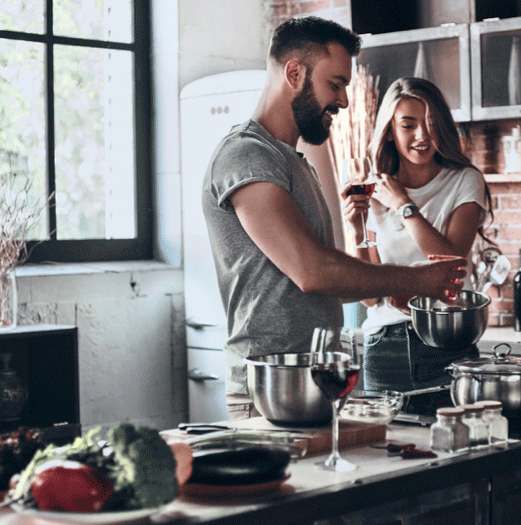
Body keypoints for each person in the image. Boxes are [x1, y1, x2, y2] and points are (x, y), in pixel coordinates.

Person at [202, 18, 467, 420]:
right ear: (294, 73)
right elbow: (313, 271)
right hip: (270, 393)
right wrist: (415, 280)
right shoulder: (247, 156)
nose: (343, 101)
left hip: (315, 384)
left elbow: (327, 284)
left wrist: (381, 277)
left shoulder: (294, 162)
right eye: (336, 83)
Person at [341, 77, 495, 393]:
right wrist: (357, 229)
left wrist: (403, 205)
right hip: (385, 348)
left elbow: (451, 263)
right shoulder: (372, 189)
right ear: (390, 133)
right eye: (408, 126)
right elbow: (371, 297)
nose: (421, 135)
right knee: (390, 442)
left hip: (448, 341)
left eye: (430, 123)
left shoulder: (465, 181)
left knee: (457, 440)